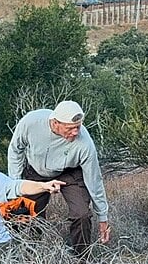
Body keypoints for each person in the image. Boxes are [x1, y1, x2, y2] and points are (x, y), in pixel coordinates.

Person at [7, 100, 111, 255]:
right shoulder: (31, 122)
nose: (76, 132)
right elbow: (16, 150)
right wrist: (15, 186)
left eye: (78, 126)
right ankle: (31, 257)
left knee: (81, 214)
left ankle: (81, 259)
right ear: (55, 123)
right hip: (37, 171)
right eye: (70, 128)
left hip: (70, 173)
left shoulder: (85, 144)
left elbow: (94, 180)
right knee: (26, 213)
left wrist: (103, 217)